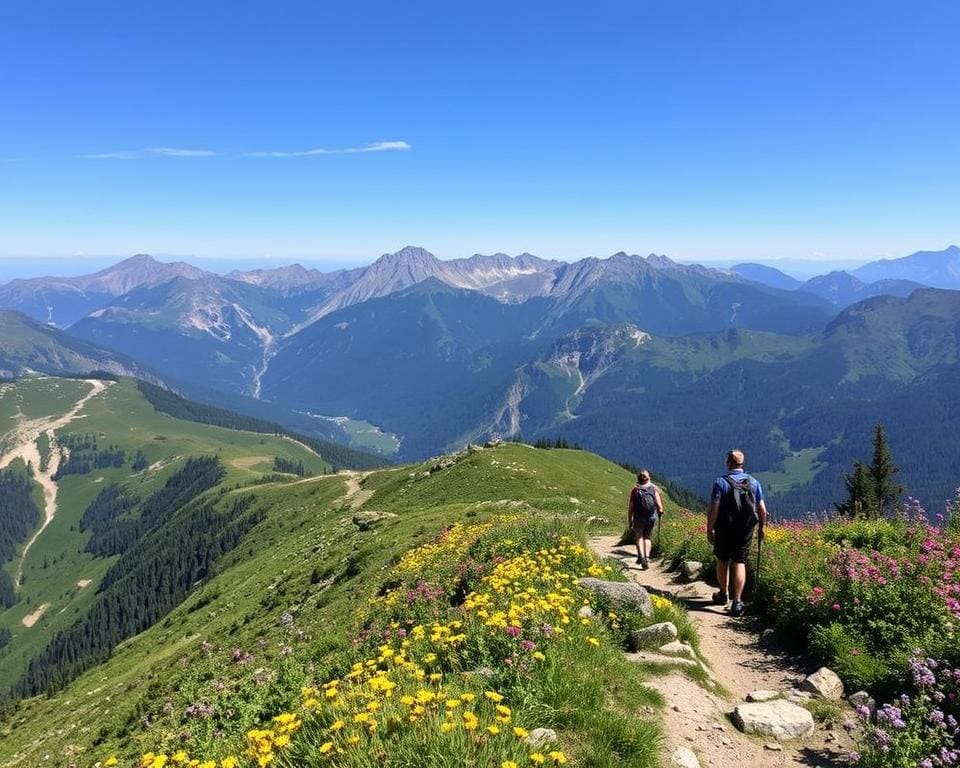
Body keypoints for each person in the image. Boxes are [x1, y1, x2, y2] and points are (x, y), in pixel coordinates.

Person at [706, 449, 767, 617]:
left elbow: (714, 508)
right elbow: (762, 509)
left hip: (724, 527)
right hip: (745, 529)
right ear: (742, 464)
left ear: (728, 463)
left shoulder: (721, 482)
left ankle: (723, 593)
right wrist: (761, 528)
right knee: (740, 562)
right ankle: (738, 601)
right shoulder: (754, 483)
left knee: (722, 559)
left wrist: (709, 528)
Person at [628, 469, 663, 569]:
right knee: (647, 537)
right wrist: (660, 512)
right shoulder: (653, 488)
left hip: (638, 517)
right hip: (651, 517)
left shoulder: (635, 490)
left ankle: (641, 557)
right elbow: (659, 506)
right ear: (649, 478)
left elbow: (631, 507)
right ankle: (647, 557)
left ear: (638, 479)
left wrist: (630, 519)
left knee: (639, 537)